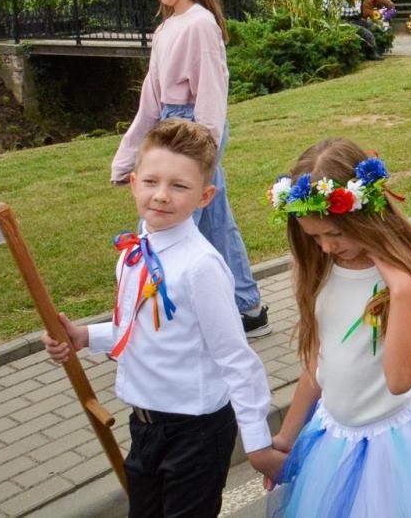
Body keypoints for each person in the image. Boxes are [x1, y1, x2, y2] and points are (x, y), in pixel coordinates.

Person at [44, 120, 280, 518]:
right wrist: (84, 336)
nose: (162, 196)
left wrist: (257, 442)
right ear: (133, 182)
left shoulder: (200, 266)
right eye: (151, 181)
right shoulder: (133, 254)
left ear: (205, 196)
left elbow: (234, 357)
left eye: (179, 186)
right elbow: (140, 327)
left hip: (196, 430)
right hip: (145, 425)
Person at [265, 141, 411, 517]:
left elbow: (400, 379)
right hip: (332, 437)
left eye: (334, 235)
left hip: (393, 447)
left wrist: (402, 291)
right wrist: (286, 439)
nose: (324, 247)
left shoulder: (409, 277)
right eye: (314, 237)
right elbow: (316, 367)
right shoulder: (320, 268)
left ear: (363, 215)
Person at [110, 0, 266, 337]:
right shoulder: (166, 28)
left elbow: (212, 95)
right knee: (216, 222)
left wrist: (204, 150)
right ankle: (247, 307)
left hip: (193, 130)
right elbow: (151, 99)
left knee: (165, 222)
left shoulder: (200, 23)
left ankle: (153, 312)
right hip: (172, 125)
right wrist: (128, 155)